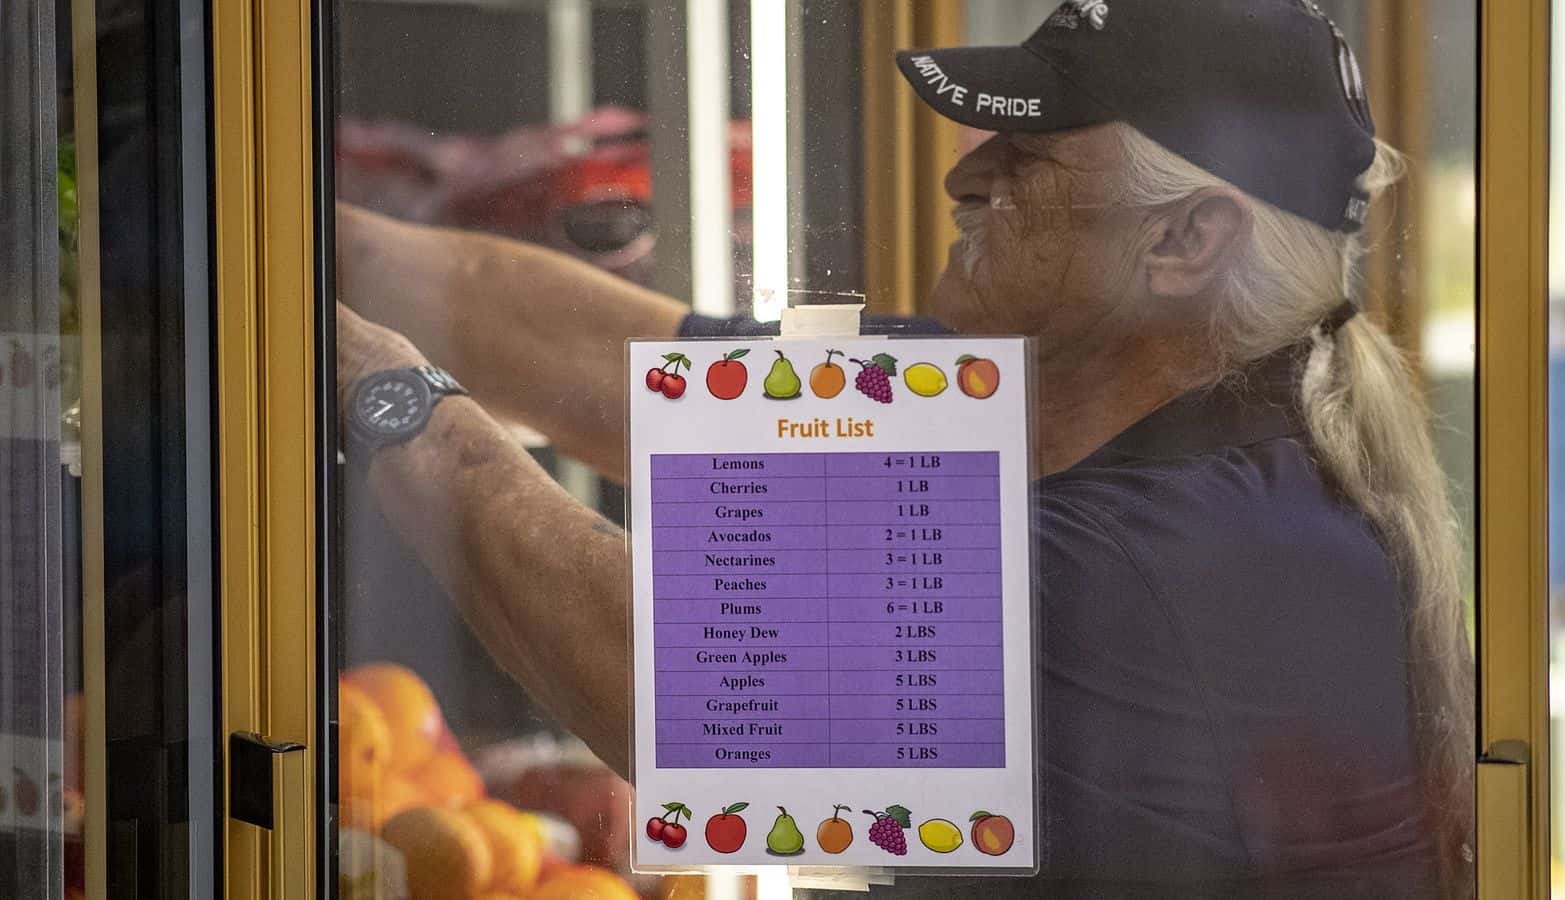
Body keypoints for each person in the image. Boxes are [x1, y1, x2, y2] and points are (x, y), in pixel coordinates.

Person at [335, 1, 1474, 896]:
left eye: (1029, 153)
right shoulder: (1069, 387)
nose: (964, 173)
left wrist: (398, 409)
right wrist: (283, 235)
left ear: (1184, 238)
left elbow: (680, 689)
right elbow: (608, 357)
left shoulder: (1175, 565)